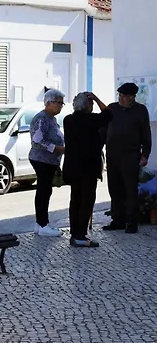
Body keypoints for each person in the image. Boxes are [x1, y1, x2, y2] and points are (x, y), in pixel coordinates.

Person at [62, 92, 112, 247]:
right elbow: (109, 113)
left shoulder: (68, 120)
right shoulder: (92, 120)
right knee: (87, 200)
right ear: (89, 106)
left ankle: (75, 232)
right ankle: (80, 235)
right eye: (91, 104)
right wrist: (96, 98)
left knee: (75, 199)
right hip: (88, 167)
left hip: (72, 167)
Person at [104, 82, 152, 234]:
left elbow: (146, 134)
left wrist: (145, 154)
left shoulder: (140, 110)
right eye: (120, 95)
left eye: (124, 96)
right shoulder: (112, 108)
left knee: (130, 190)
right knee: (114, 187)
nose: (121, 98)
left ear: (132, 97)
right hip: (112, 154)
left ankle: (131, 222)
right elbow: (103, 130)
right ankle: (117, 219)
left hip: (130, 155)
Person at [29, 88, 66, 236]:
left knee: (45, 190)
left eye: (62, 103)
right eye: (59, 103)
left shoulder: (51, 118)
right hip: (42, 159)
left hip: (49, 161)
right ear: (49, 102)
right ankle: (43, 224)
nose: (61, 106)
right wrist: (56, 148)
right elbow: (37, 141)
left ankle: (40, 224)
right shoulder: (42, 118)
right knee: (44, 191)